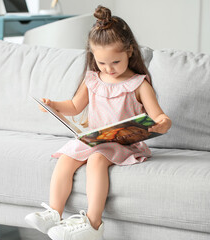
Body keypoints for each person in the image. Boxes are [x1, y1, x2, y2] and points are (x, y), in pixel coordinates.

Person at [25, 5, 172, 240]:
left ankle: (93, 224)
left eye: (115, 62)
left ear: (130, 52)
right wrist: (53, 104)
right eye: (102, 63)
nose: (108, 69)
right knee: (65, 158)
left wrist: (162, 124)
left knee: (96, 160)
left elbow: (160, 117)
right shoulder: (92, 79)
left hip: (123, 143)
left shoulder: (138, 84)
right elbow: (74, 106)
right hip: (95, 139)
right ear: (93, 56)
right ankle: (55, 212)